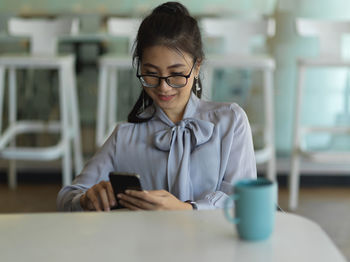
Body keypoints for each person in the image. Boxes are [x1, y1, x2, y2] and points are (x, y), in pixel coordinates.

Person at [57, 1, 257, 212]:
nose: (163, 87)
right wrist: (86, 199)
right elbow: (67, 196)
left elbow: (245, 201)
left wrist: (187, 210)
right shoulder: (125, 136)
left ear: (197, 66)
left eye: (177, 74)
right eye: (151, 74)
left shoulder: (230, 121)